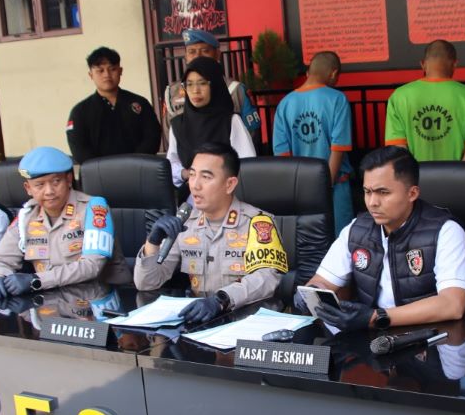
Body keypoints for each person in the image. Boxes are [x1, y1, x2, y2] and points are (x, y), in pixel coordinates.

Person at [298, 146, 465, 330]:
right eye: (367, 192)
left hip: (430, 339)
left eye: (383, 192)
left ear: (412, 193)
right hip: (375, 339)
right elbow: (324, 280)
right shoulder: (357, 229)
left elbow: (452, 304)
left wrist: (377, 317)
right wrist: (311, 292)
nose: (373, 202)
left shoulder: (445, 230)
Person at [134, 142, 285, 324]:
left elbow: (267, 279)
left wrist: (221, 300)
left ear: (229, 184)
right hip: (199, 326)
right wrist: (153, 243)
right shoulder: (185, 224)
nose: (195, 185)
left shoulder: (258, 223)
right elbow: (146, 283)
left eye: (206, 177)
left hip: (243, 324)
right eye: (191, 175)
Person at [0, 146, 132, 298]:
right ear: (28, 188)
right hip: (51, 301)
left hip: (99, 300)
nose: (49, 191)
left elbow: (91, 266)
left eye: (55, 181)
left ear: (68, 180)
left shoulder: (94, 208)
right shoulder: (26, 216)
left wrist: (37, 280)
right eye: (40, 185)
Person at [272, 51, 354, 232]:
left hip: (301, 189)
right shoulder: (337, 99)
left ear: (309, 72)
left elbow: (283, 155)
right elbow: (337, 148)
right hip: (336, 186)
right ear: (333, 73)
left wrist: (298, 189)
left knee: (309, 243)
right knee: (342, 243)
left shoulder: (285, 103)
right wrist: (326, 187)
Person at [384, 40, 465, 161]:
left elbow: (398, 150)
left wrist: (411, 179)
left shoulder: (399, 96)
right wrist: (460, 179)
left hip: (415, 178)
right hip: (457, 177)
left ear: (423, 64)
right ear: (455, 64)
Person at [166, 55, 256, 192]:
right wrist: (186, 173)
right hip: (191, 199)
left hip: (227, 197)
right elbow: (172, 163)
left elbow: (247, 165)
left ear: (215, 85)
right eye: (189, 84)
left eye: (202, 83)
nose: (195, 90)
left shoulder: (231, 122)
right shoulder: (178, 125)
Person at [161, 29, 260, 149]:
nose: (198, 57)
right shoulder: (172, 93)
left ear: (217, 55)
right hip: (188, 163)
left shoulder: (235, 90)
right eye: (192, 52)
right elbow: (169, 134)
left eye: (205, 51)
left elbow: (251, 134)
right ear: (186, 56)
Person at [65, 47, 160, 164]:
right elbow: (78, 147)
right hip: (98, 175)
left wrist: (135, 162)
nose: (107, 75)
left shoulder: (140, 103)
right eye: (100, 71)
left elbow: (153, 137)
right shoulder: (80, 111)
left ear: (120, 71)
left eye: (112, 69)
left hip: (139, 169)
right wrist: (102, 168)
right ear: (91, 75)